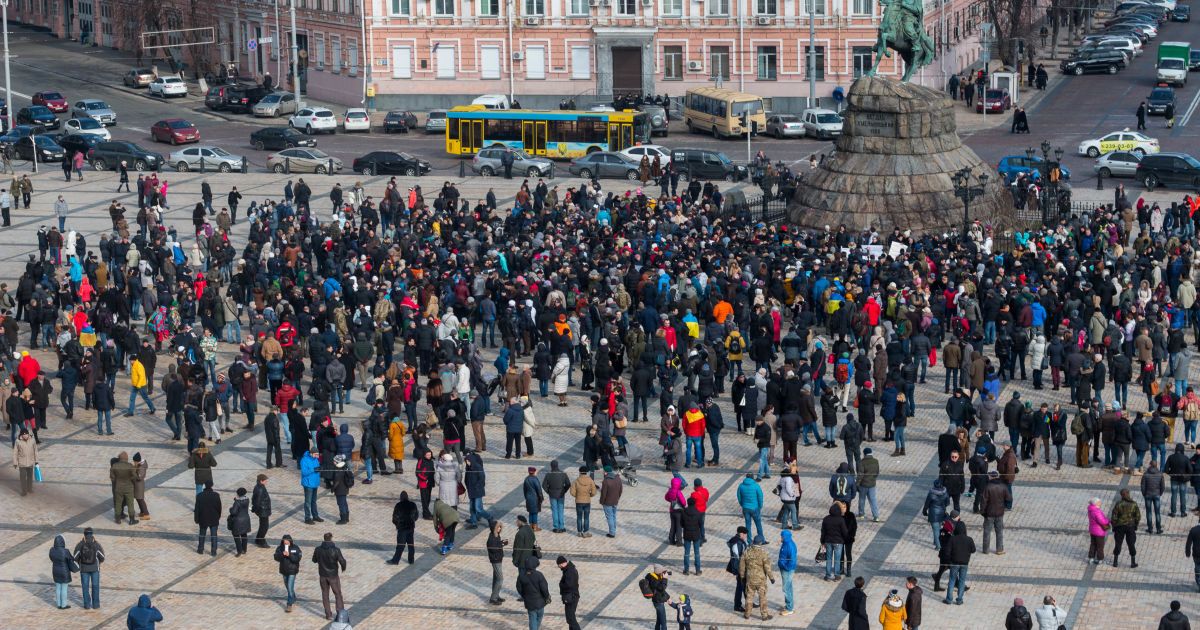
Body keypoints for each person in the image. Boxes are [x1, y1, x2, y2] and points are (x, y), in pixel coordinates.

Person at [312, 532, 347, 620]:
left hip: (323, 575)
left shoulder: (318, 549)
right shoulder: (336, 550)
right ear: (331, 538)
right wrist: (343, 568)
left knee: (325, 594)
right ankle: (340, 613)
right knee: (338, 594)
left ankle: (328, 614)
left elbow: (314, 560)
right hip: (333, 575)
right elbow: (342, 561)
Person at [739, 540, 774, 621]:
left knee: (749, 596)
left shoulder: (747, 551)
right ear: (760, 543)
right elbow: (767, 567)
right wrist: (771, 578)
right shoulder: (763, 553)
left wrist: (742, 576)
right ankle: (764, 615)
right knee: (762, 597)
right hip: (760, 580)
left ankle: (747, 614)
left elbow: (742, 565)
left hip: (750, 579)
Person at [943, 520, 975, 605]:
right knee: (962, 581)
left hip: (954, 562)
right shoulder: (969, 539)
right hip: (964, 563)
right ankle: (959, 599)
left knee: (952, 580)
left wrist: (950, 558)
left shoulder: (953, 539)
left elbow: (947, 552)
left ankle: (949, 599)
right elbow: (973, 550)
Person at [72, 527, 104, 610]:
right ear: (92, 534)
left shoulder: (80, 545)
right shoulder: (96, 545)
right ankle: (96, 605)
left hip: (84, 569)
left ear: (84, 534)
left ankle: (87, 605)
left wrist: (80, 561)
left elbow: (74, 557)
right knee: (95, 586)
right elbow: (102, 557)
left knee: (85, 587)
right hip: (95, 569)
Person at [516, 556, 551, 630]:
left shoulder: (521, 576)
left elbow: (519, 587)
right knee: (539, 617)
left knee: (532, 618)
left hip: (529, 602)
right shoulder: (539, 575)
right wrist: (547, 596)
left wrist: (524, 595)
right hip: (540, 602)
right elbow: (544, 588)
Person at [1110, 488, 1141, 568]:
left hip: (1120, 527)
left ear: (1121, 495)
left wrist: (1114, 526)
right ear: (1128, 494)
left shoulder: (1118, 504)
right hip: (1130, 526)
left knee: (1118, 543)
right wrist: (1136, 525)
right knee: (1131, 544)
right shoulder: (1133, 504)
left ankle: (1115, 562)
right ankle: (1133, 562)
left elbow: (1114, 517)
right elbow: (1138, 516)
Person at [49, 534, 79, 609]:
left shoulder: (52, 550)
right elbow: (71, 559)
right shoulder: (65, 551)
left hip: (55, 571)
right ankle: (64, 605)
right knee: (64, 588)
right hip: (64, 571)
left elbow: (51, 558)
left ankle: (58, 604)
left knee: (58, 587)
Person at [274, 534, 302, 613]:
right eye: (284, 541)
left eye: (287, 541)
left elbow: (297, 559)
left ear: (290, 541)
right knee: (287, 586)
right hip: (284, 570)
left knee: (290, 587)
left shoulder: (295, 548)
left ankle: (289, 604)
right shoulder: (280, 548)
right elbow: (276, 557)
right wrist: (282, 554)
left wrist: (289, 555)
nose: (285, 542)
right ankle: (293, 596)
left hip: (292, 570)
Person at [194, 481, 222, 556]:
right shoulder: (216, 495)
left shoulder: (200, 496)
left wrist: (196, 519)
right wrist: (218, 517)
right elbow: (219, 508)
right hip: (214, 518)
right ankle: (213, 551)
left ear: (204, 486)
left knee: (202, 534)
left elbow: (197, 509)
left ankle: (200, 549)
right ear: (212, 485)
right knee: (214, 535)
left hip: (203, 518)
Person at [737, 473, 766, 544]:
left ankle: (749, 541)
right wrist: (760, 506)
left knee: (748, 525)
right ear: (753, 478)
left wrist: (742, 504)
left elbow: (739, 497)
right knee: (758, 524)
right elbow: (760, 497)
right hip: (755, 508)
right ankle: (761, 539)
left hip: (745, 508)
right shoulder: (756, 486)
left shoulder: (741, 486)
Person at [569, 465, 597, 537]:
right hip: (587, 501)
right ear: (587, 472)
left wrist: (577, 496)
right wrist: (589, 495)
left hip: (578, 501)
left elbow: (572, 492)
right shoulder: (590, 480)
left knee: (579, 517)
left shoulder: (576, 481)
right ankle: (586, 532)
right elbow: (594, 492)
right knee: (586, 517)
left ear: (580, 472)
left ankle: (579, 532)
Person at [486, 520, 508, 604]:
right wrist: (501, 544)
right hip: (495, 560)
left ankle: (496, 595)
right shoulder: (491, 538)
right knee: (500, 579)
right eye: (498, 527)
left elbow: (497, 544)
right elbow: (494, 549)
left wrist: (502, 543)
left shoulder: (496, 536)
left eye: (500, 527)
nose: (499, 528)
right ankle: (493, 598)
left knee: (496, 578)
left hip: (499, 559)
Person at [557, 555, 581, 630]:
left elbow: (569, 585)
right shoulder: (568, 569)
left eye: (559, 565)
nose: (559, 567)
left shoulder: (569, 571)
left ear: (562, 563)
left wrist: (561, 585)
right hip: (571, 596)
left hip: (571, 597)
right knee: (570, 617)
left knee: (571, 618)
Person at [301, 447, 324, 524]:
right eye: (316, 454)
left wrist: (320, 469)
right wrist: (314, 470)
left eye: (318, 454)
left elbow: (317, 468)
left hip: (315, 483)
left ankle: (315, 516)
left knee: (314, 501)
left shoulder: (315, 459)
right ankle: (307, 518)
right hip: (308, 484)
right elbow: (304, 472)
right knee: (308, 502)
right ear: (311, 453)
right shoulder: (304, 460)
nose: (317, 456)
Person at [777, 529, 797, 616]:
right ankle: (789, 605)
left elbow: (792, 560)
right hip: (785, 568)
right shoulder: (786, 543)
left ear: (785, 537)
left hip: (787, 570)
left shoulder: (789, 545)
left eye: (782, 536)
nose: (780, 538)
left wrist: (786, 567)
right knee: (788, 587)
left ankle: (789, 608)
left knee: (786, 588)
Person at [12, 428, 37, 496]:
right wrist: (15, 462)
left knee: (30, 476)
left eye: (26, 434)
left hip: (30, 462)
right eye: (24, 434)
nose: (25, 436)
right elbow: (15, 452)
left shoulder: (32, 440)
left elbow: (35, 451)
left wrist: (36, 461)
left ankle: (29, 488)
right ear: (21, 435)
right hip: (22, 463)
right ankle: (24, 491)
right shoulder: (18, 441)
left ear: (28, 434)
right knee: (22, 477)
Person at [228, 487, 252, 556]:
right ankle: (244, 549)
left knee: (236, 536)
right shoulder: (247, 500)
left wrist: (231, 508)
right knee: (244, 535)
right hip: (246, 520)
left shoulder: (237, 502)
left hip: (238, 521)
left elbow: (233, 512)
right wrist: (236, 500)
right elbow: (242, 502)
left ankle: (239, 551)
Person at [1087, 497, 1111, 564]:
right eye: (1099, 502)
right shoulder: (1097, 511)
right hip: (1099, 531)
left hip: (1092, 530)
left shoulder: (1090, 509)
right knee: (1100, 545)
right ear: (1096, 503)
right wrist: (1108, 520)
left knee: (1093, 544)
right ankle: (1100, 558)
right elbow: (1102, 521)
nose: (1101, 503)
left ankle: (1091, 557)